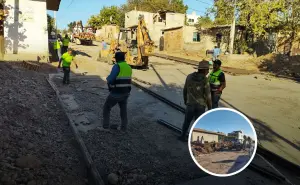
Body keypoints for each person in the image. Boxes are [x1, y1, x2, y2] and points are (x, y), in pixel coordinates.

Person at [179, 61, 212, 142]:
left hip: (190, 104)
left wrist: (185, 100)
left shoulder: (189, 77)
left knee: (187, 122)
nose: (208, 71)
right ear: (204, 70)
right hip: (201, 106)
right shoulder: (205, 80)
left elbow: (185, 90)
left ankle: (183, 136)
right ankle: (195, 141)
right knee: (197, 124)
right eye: (207, 70)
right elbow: (208, 96)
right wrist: (210, 108)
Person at [102, 52, 132, 131]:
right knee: (123, 110)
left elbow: (110, 79)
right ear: (124, 58)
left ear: (116, 59)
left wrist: (108, 80)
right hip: (126, 92)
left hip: (116, 92)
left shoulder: (117, 66)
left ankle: (105, 126)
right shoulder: (128, 67)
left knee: (106, 108)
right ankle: (123, 127)